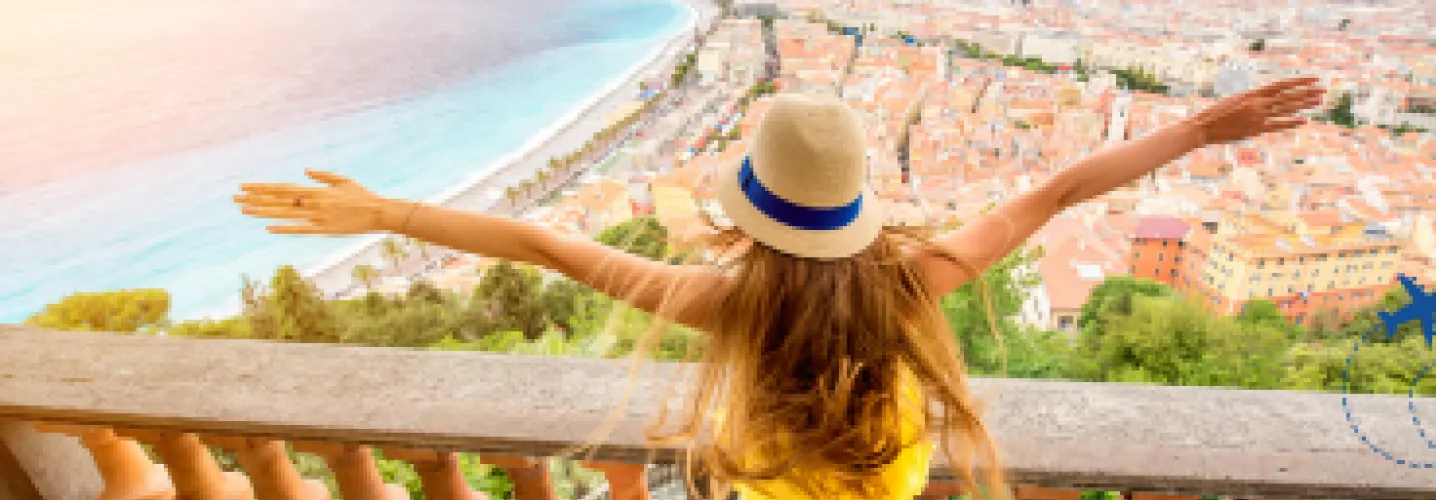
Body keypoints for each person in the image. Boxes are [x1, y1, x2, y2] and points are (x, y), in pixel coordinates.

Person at [235, 78, 1324, 499]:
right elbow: (1059, 190)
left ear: (744, 211)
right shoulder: (918, 281)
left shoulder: (724, 304)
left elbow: (542, 244)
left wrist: (387, 214)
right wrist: (1195, 129)